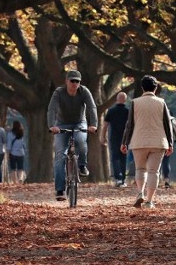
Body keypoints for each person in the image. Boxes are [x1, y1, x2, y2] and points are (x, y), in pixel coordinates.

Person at [121, 75, 173, 209]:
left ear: (142, 87)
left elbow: (129, 124)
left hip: (138, 141)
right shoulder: (161, 102)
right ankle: (149, 201)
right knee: (153, 171)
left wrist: (124, 142)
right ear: (156, 88)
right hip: (158, 141)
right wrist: (170, 143)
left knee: (140, 168)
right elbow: (168, 124)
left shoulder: (135, 102)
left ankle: (140, 193)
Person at [47, 70, 98, 201]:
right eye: (72, 81)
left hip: (79, 123)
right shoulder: (59, 92)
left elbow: (92, 107)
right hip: (62, 124)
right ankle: (60, 190)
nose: (74, 83)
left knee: (81, 142)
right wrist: (52, 125)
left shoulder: (84, 91)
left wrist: (93, 124)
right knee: (60, 155)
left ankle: (82, 165)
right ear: (66, 81)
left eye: (77, 81)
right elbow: (52, 109)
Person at [102, 91, 129, 187]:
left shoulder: (111, 111)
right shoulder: (128, 111)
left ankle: (118, 178)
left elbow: (105, 125)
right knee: (123, 158)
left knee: (115, 158)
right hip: (125, 138)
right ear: (125, 100)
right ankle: (123, 179)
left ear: (117, 99)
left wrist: (103, 136)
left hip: (113, 137)